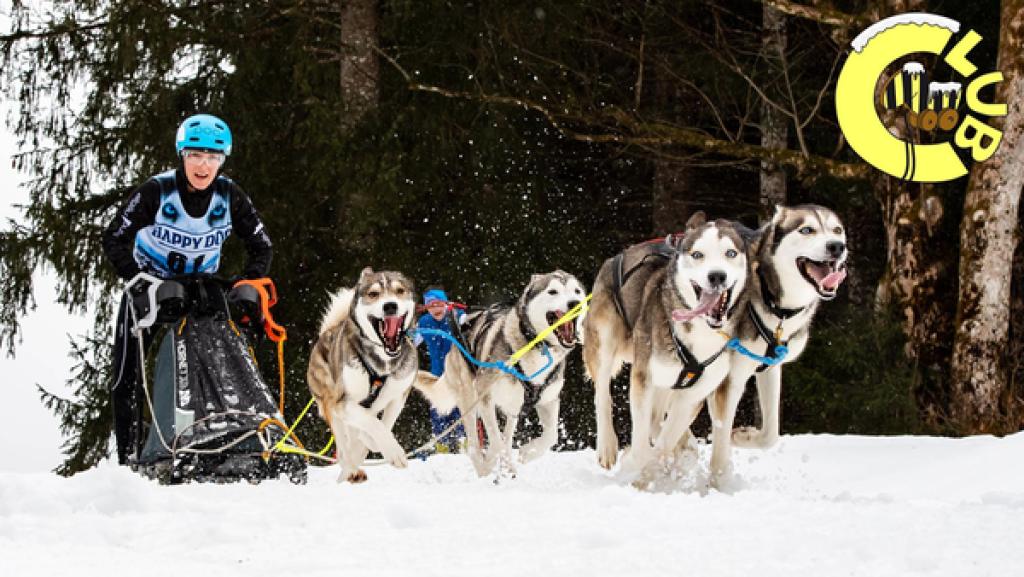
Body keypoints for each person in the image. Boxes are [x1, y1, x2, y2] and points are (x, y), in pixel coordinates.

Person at [101, 113, 273, 465]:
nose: (203, 165)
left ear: (222, 160)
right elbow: (114, 237)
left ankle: (219, 445)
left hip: (200, 288)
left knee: (220, 365)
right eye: (196, 155)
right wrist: (136, 279)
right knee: (126, 374)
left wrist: (248, 282)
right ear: (183, 154)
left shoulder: (229, 195)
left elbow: (263, 246)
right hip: (151, 285)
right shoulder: (157, 190)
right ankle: (127, 458)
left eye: (213, 157)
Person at [413, 287, 466, 453]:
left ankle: (465, 443)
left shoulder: (458, 317)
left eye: (438, 304)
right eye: (431, 305)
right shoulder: (423, 323)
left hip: (459, 372)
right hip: (437, 374)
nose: (435, 309)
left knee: (462, 408)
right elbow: (411, 344)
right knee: (438, 410)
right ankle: (441, 446)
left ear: (445, 303)